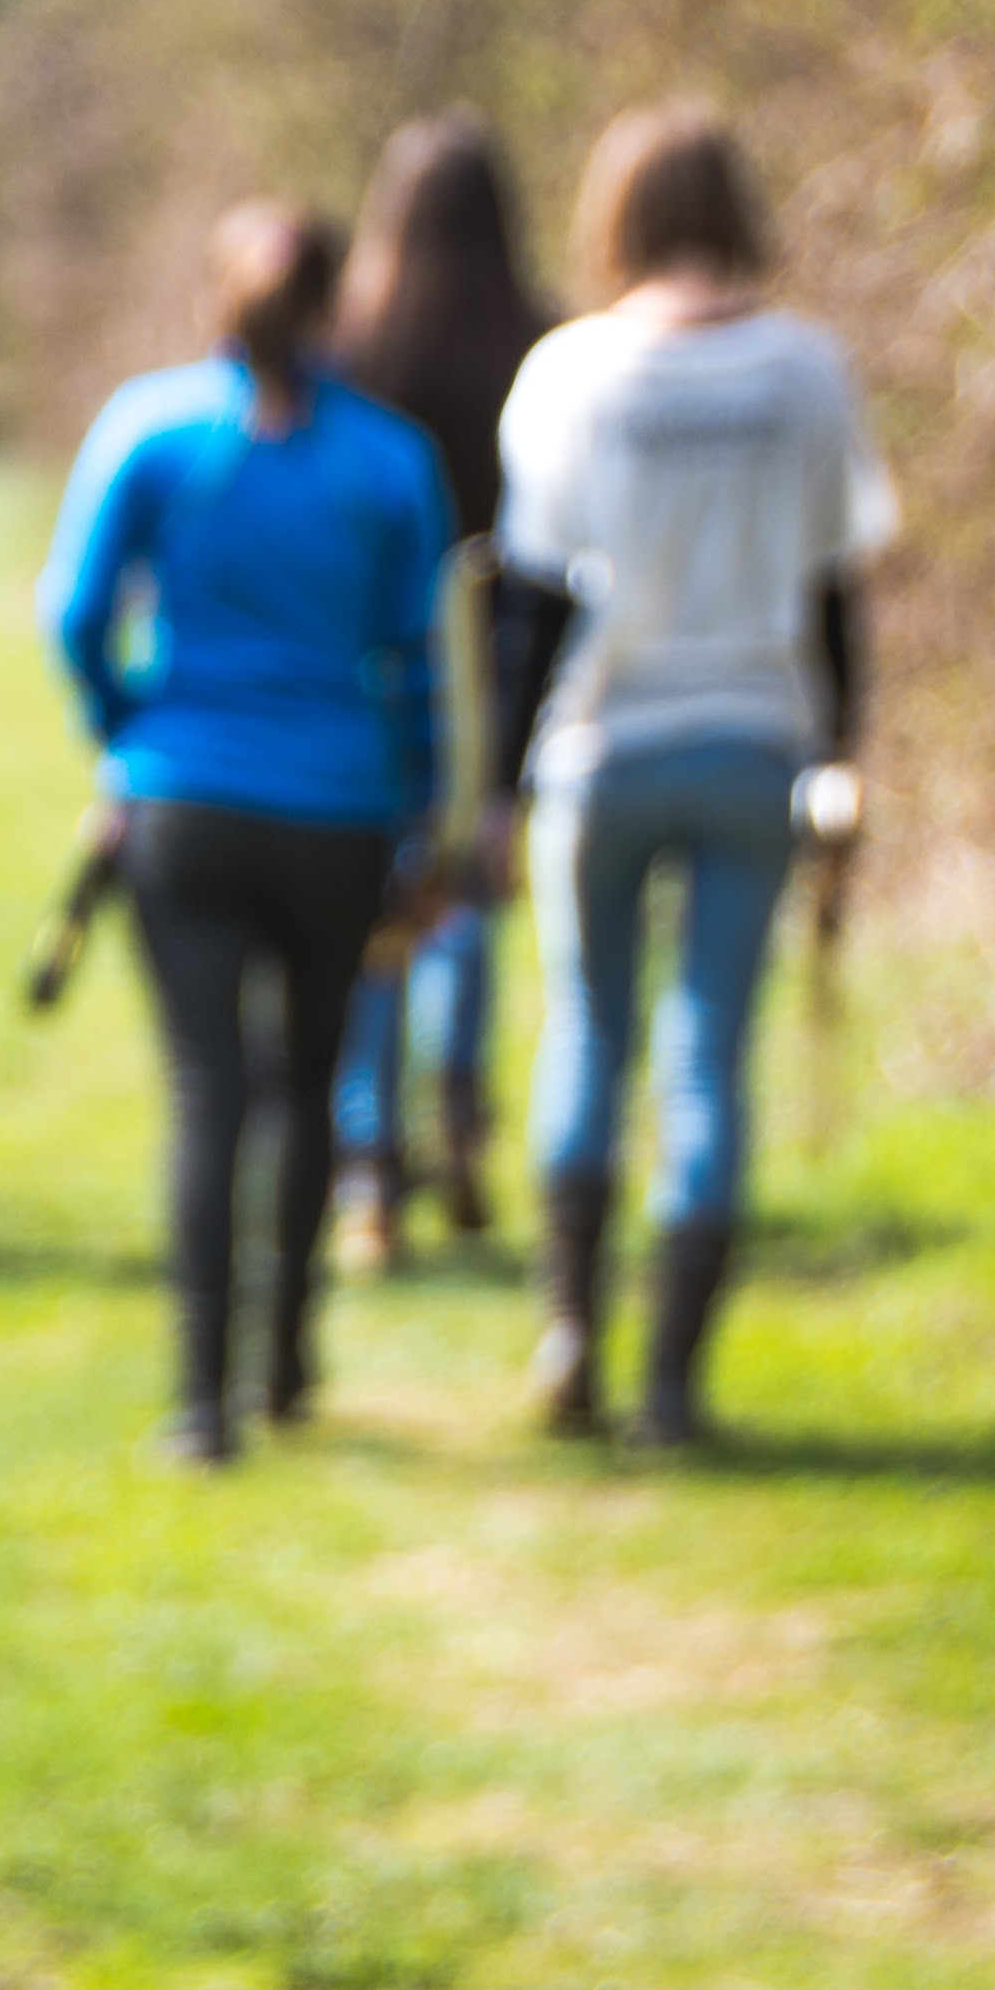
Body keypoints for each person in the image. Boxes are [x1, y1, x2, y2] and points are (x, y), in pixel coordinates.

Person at [489, 102, 895, 1448]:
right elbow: (834, 585)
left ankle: (568, 1331)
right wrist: (842, 749)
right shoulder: (803, 372)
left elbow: (532, 598)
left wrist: (493, 786)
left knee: (587, 1028)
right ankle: (669, 1385)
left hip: (600, 742)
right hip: (753, 740)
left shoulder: (569, 372)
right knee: (707, 1048)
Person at [38, 204, 452, 1465]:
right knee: (308, 1082)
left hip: (183, 802)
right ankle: (284, 1360)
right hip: (337, 808)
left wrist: (124, 724)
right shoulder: (388, 461)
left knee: (204, 1088)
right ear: (336, 306)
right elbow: (416, 660)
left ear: (210, 297)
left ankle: (199, 1400)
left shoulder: (149, 429)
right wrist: (419, 804)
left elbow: (73, 613)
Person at [321, 115, 553, 1268]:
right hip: (500, 651)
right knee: (466, 896)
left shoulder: (350, 345)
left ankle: (366, 1166)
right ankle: (458, 1119)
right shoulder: (542, 342)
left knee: (373, 914)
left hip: (379, 656)